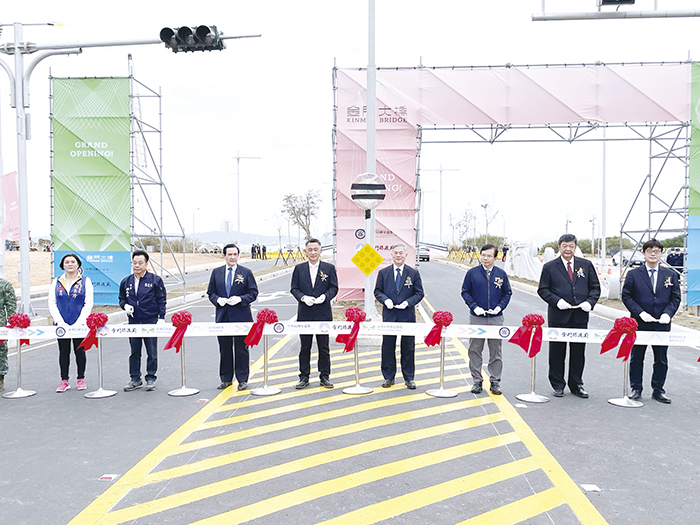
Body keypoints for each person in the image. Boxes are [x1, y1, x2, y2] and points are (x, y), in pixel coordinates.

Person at [537, 234, 600, 398]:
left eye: (571, 246)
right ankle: (557, 384)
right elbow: (543, 290)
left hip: (580, 316)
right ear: (559, 247)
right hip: (559, 316)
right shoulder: (550, 267)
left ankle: (577, 384)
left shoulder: (585, 265)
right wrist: (556, 301)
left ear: (575, 247)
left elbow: (595, 288)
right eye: (565, 245)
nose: (568, 249)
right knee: (557, 351)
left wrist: (590, 303)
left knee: (578, 352)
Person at [621, 239, 681, 404]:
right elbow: (626, 296)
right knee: (637, 357)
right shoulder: (634, 274)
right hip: (640, 323)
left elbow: (675, 298)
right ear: (644, 253)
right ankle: (636, 388)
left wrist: (668, 314)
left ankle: (658, 389)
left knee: (661, 358)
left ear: (660, 253)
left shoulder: (670, 275)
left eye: (656, 251)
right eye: (650, 251)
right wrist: (640, 313)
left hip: (662, 323)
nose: (653, 254)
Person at [461, 244, 512, 395]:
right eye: (483, 255)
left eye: (489, 256)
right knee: (475, 349)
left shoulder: (501, 274)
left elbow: (507, 293)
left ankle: (495, 381)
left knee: (496, 350)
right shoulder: (472, 273)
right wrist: (474, 306)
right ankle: (477, 380)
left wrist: (499, 308)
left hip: (496, 318)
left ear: (495, 257)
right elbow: (465, 292)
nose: (485, 258)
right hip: (477, 317)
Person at [207, 243, 258, 390]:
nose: (232, 257)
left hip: (241, 317)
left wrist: (241, 299)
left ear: (238, 255)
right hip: (223, 317)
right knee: (225, 348)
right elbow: (211, 292)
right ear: (224, 256)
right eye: (229, 254)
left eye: (235, 254)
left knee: (242, 349)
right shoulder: (216, 273)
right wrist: (218, 300)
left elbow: (253, 293)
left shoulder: (246, 272)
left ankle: (242, 379)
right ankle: (226, 378)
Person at [374, 243, 425, 389]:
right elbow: (377, 291)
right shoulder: (384, 273)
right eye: (395, 253)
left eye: (401, 253)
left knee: (408, 347)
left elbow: (419, 293)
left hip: (407, 316)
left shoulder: (413, 273)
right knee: (388, 347)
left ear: (405, 255)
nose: (398, 255)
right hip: (389, 315)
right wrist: (386, 300)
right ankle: (388, 377)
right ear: (391, 254)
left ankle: (409, 377)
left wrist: (408, 303)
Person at [290, 238, 338, 389]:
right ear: (305, 251)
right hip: (305, 313)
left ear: (320, 251)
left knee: (324, 347)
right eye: (309, 250)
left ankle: (325, 376)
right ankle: (304, 376)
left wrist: (324, 297)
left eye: (315, 249)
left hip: (323, 313)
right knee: (305, 347)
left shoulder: (329, 268)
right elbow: (294, 288)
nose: (312, 252)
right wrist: (303, 298)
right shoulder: (299, 269)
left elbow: (334, 288)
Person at [119, 250, 167, 391]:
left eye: (140, 263)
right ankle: (135, 378)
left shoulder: (155, 280)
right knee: (134, 351)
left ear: (146, 263)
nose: (137, 266)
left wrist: (161, 318)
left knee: (151, 351)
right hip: (133, 322)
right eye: (134, 263)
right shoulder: (126, 281)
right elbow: (121, 298)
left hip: (150, 321)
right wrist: (125, 306)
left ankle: (151, 378)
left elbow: (161, 300)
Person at [48, 253, 94, 393]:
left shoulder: (85, 281)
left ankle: (81, 379)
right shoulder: (57, 281)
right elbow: (52, 303)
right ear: (63, 265)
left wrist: (79, 323)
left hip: (79, 325)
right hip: (61, 326)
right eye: (67, 262)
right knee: (63, 352)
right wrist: (60, 322)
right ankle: (64, 381)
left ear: (78, 264)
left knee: (80, 351)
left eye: (72, 262)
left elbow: (88, 303)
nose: (70, 264)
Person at [0, 277, 16, 391]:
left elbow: (11, 306)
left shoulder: (4, 285)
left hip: (0, 326)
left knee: (0, 351)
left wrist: (12, 323)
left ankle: (0, 377)